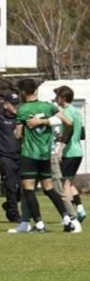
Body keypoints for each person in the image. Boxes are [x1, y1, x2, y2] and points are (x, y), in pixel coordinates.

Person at [10, 78, 74, 233]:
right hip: (46, 154)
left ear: (23, 93)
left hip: (29, 154)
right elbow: (68, 122)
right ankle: (66, 218)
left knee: (29, 189)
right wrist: (46, 122)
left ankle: (39, 224)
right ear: (36, 91)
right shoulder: (49, 106)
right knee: (49, 188)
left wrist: (21, 131)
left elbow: (18, 135)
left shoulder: (23, 110)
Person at [54, 86, 86, 226]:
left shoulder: (66, 112)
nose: (56, 99)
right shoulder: (77, 111)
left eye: (57, 97)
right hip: (78, 150)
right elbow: (82, 133)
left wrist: (61, 147)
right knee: (70, 182)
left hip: (70, 152)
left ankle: (69, 215)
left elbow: (69, 128)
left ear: (63, 98)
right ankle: (79, 209)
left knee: (64, 184)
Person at [0, 93, 22, 223]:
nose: (16, 106)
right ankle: (13, 214)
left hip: (20, 155)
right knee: (10, 186)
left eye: (17, 104)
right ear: (5, 105)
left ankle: (10, 204)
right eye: (13, 104)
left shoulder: (21, 118)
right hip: (4, 156)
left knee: (23, 187)